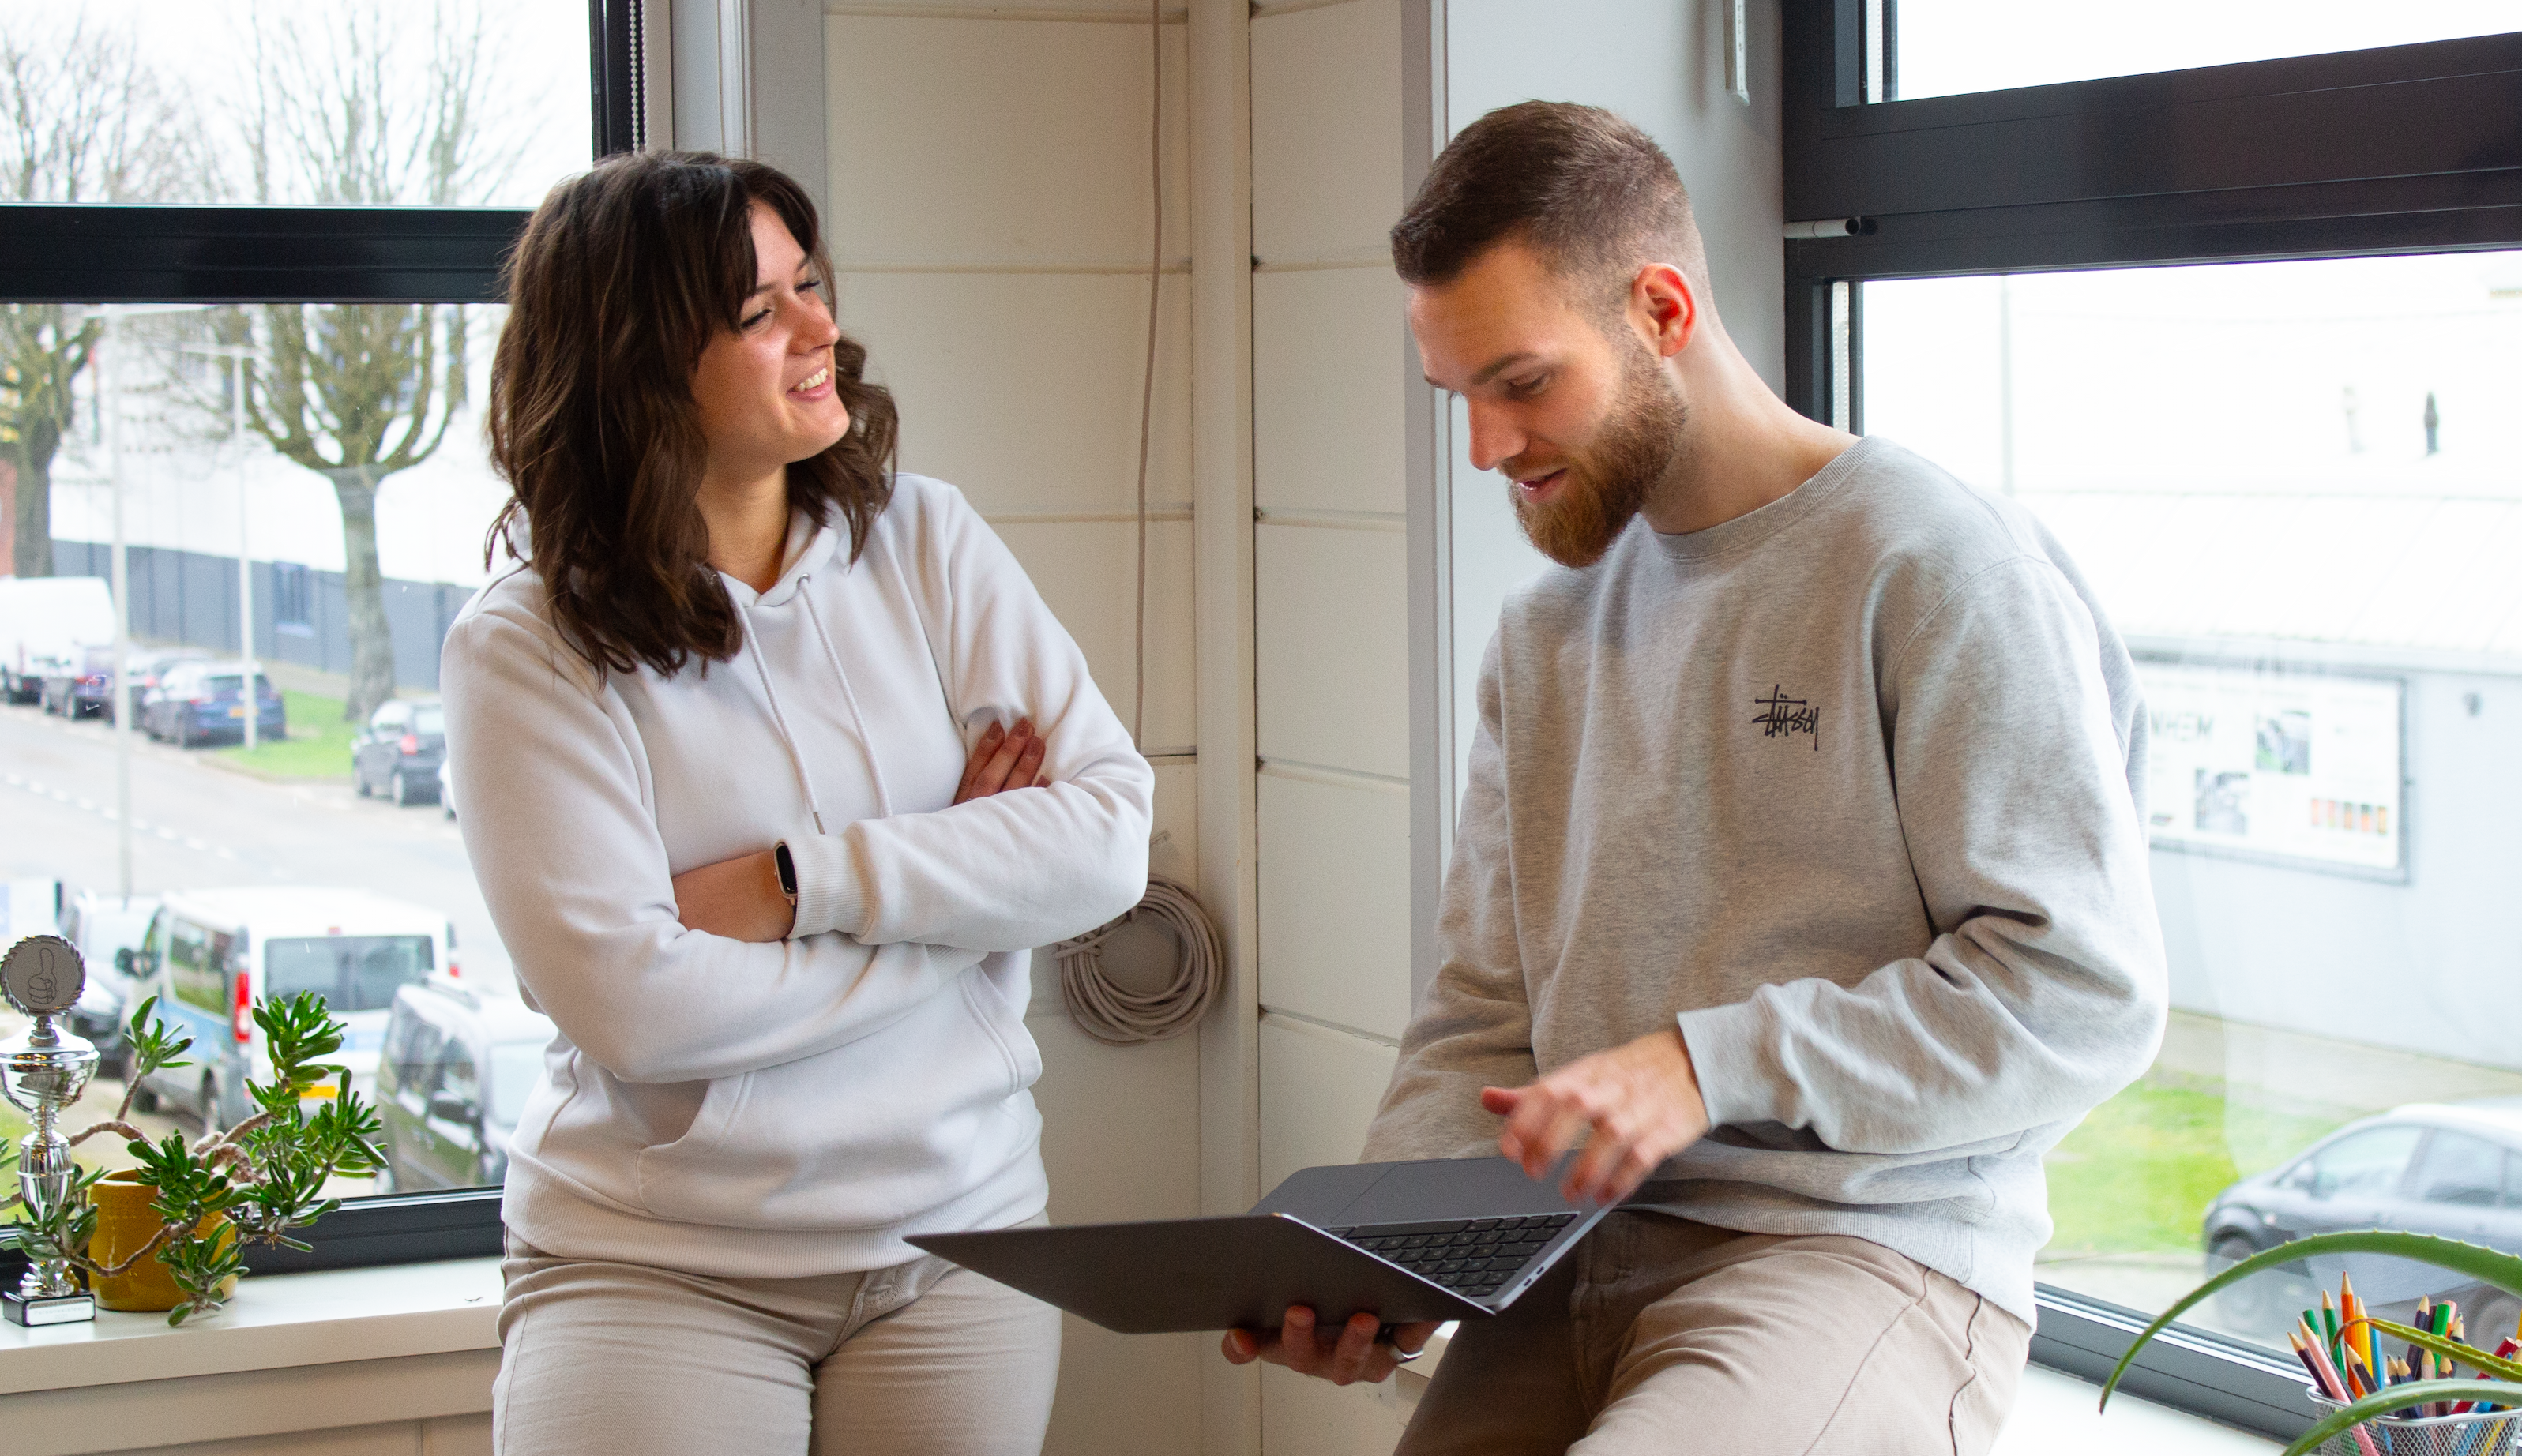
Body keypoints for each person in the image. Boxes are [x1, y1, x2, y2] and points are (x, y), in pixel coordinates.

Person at [1220, 102, 2168, 1452]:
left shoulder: (1938, 569)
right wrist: (1393, 1258)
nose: (1488, 448)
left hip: (1860, 1257)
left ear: (1661, 309)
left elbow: (2084, 994)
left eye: (1524, 382)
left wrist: (1706, 1066)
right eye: (1462, 400)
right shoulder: (1545, 630)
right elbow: (1489, 1014)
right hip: (1565, 1260)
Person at [446, 151, 1153, 1456]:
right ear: (643, 364)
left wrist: (797, 885)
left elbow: (1108, 839)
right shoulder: (530, 644)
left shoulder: (929, 543)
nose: (823, 328)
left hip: (961, 1247)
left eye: (809, 284)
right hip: (657, 1267)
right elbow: (636, 1008)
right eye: (760, 312)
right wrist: (967, 908)